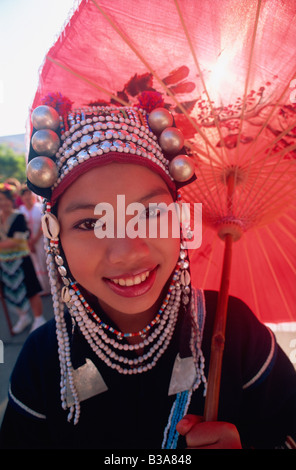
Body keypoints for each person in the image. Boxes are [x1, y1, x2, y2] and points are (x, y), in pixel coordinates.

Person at [0, 101, 295, 450]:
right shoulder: (44, 359)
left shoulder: (233, 329)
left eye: (151, 212)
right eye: (91, 223)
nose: (126, 251)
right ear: (55, 236)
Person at [0, 184, 46, 334]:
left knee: (31, 288)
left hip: (22, 258)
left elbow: (18, 240)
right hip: (5, 262)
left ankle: (39, 318)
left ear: (11, 200)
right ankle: (23, 316)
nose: (3, 203)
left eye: (5, 200)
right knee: (12, 291)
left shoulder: (19, 216)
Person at [19, 185, 51, 295]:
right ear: (22, 197)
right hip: (27, 242)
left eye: (29, 194)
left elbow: (45, 223)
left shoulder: (40, 208)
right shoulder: (21, 211)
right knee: (34, 264)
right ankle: (41, 288)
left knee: (45, 261)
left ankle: (50, 287)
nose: (27, 197)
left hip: (41, 239)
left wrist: (35, 238)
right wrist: (28, 242)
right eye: (25, 195)